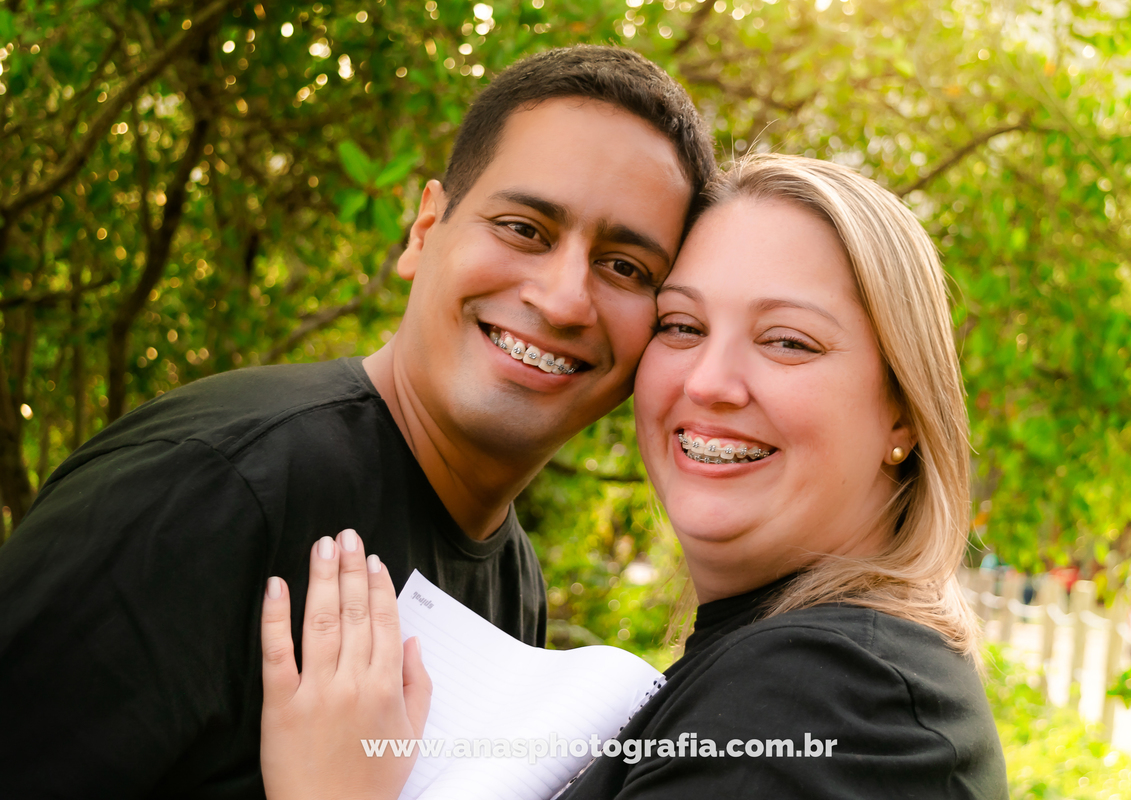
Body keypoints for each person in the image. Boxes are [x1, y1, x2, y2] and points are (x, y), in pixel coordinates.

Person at [0, 46, 716, 798]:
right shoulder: (210, 490)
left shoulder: (512, 580)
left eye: (626, 268)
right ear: (424, 230)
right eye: (524, 229)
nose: (566, 299)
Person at [261, 155, 1008, 798]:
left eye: (787, 341)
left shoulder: (832, 694)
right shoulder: (794, 663)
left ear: (903, 414)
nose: (711, 382)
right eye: (681, 326)